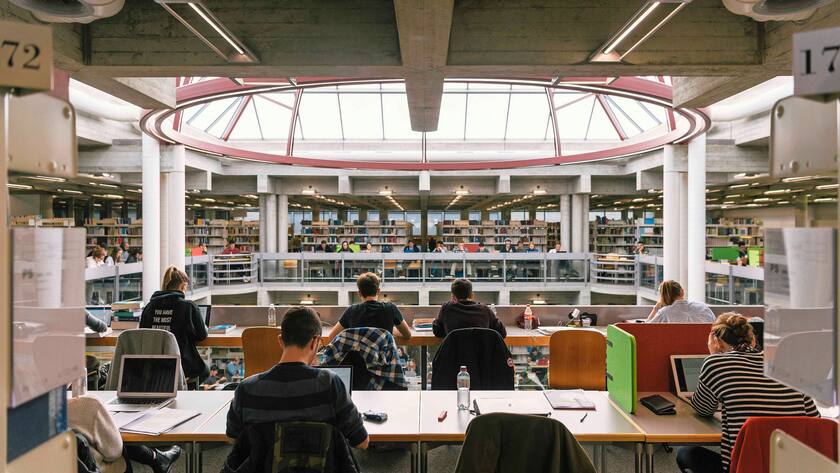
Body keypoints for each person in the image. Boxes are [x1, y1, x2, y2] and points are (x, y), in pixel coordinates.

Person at [676, 313, 819, 473]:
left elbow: (703, 409)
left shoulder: (715, 363)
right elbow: (814, 419)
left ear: (715, 341)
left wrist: (714, 356)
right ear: (753, 340)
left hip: (744, 467)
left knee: (686, 453)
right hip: (792, 466)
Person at [225, 306, 369, 452]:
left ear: (281, 341)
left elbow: (233, 438)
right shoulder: (330, 383)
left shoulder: (246, 388)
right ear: (315, 342)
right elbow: (362, 442)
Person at [68, 396, 181, 473]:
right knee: (114, 439)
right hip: (93, 468)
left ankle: (157, 458)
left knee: (105, 433)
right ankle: (156, 458)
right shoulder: (87, 404)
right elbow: (114, 452)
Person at [139, 267, 209, 386]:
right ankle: (184, 390)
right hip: (182, 365)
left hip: (152, 365)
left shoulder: (149, 307)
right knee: (204, 371)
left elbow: (142, 334)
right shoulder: (188, 307)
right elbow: (201, 335)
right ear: (182, 286)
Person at [327, 272, 411, 341]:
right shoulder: (390, 308)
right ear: (378, 291)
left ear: (359, 293)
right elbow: (407, 335)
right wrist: (390, 331)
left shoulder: (351, 311)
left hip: (356, 361)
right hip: (383, 361)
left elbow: (331, 337)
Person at [432, 278, 506, 338]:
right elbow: (502, 333)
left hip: (454, 356)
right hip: (480, 356)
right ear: (472, 295)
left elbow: (437, 332)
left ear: (452, 296)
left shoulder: (447, 308)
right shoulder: (485, 309)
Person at [646, 280, 715, 323]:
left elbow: (647, 328)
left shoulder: (664, 313)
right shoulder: (703, 307)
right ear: (682, 292)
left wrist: (655, 308)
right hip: (704, 345)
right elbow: (715, 325)